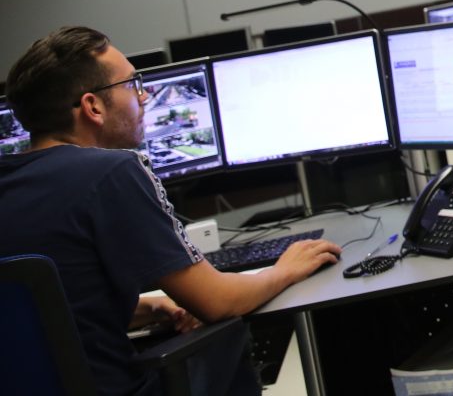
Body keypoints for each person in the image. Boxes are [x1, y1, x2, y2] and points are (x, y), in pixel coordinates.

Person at [0, 26, 342, 396]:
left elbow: (52, 312)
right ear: (93, 106)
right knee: (228, 332)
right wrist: (283, 270)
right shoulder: (111, 173)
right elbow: (218, 302)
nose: (144, 95)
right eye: (132, 84)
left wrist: (151, 307)